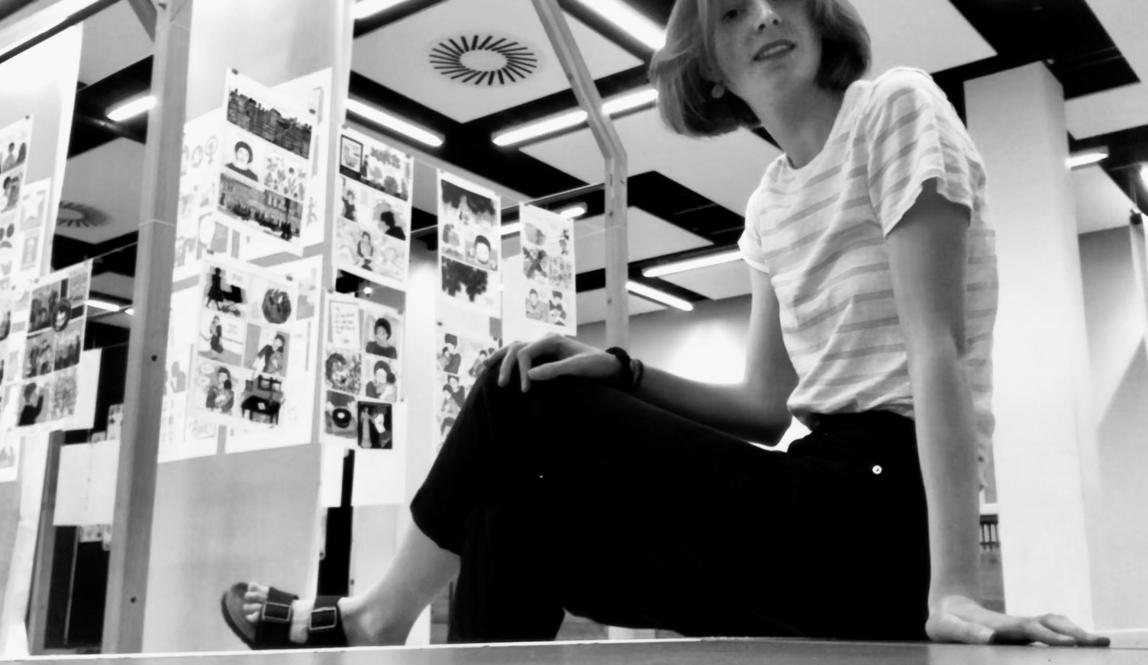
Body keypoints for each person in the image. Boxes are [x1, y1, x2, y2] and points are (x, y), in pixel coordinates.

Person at [223, 0, 1109, 650]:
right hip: (810, 517)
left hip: (879, 514)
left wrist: (951, 587)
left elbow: (936, 350)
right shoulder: (768, 205)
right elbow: (768, 406)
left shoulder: (895, 109)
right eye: (730, 13)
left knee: (513, 388)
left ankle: (378, 617)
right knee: (514, 509)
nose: (762, 17)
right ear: (710, 63)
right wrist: (623, 372)